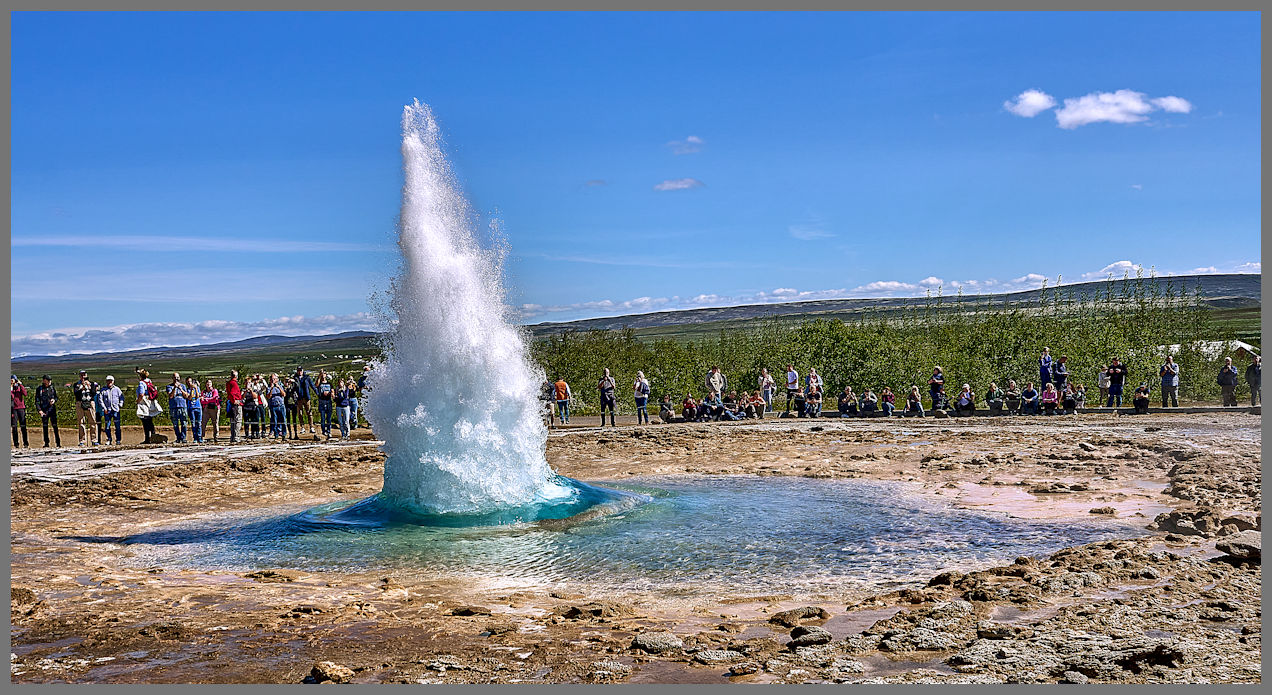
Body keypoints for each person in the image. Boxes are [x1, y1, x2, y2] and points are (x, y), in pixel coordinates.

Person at [72, 370, 99, 447]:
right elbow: (76, 394)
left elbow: (94, 393)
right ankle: (82, 440)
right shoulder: (76, 385)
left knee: (93, 422)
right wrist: (81, 388)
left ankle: (94, 439)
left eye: (84, 375)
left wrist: (89, 387)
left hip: (90, 402)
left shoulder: (93, 384)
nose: (83, 376)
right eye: (81, 375)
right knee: (81, 422)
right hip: (80, 403)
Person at [135, 369, 161, 444]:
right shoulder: (149, 381)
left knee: (145, 421)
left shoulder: (141, 383)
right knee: (150, 420)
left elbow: (141, 394)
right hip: (150, 401)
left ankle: (147, 438)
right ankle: (153, 436)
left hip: (144, 402)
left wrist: (138, 401)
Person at [95, 375, 123, 445]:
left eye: (110, 381)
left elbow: (121, 397)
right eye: (108, 381)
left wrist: (120, 405)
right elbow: (100, 400)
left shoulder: (117, 389)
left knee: (117, 426)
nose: (109, 382)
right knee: (107, 426)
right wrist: (104, 408)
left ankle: (118, 440)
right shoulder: (103, 390)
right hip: (107, 410)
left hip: (115, 410)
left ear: (113, 381)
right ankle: (109, 439)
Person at [35, 375, 61, 447]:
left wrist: (54, 400)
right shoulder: (39, 389)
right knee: (45, 427)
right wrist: (39, 410)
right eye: (48, 380)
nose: (49, 382)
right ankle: (46, 443)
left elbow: (56, 397)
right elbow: (37, 401)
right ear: (44, 380)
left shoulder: (52, 388)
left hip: (52, 410)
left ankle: (58, 443)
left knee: (55, 426)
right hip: (44, 410)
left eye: (50, 380)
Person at [166, 373, 190, 443]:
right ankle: (178, 438)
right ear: (173, 378)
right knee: (175, 424)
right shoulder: (169, 386)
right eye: (175, 377)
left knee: (184, 423)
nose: (176, 379)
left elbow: (186, 396)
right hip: (174, 407)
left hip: (182, 406)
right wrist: (174, 388)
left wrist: (181, 389)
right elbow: (170, 396)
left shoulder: (183, 386)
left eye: (178, 377)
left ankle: (183, 438)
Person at [294, 367, 318, 434]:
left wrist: (317, 394)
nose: (299, 372)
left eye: (300, 370)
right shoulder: (295, 378)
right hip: (299, 398)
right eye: (298, 371)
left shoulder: (307, 377)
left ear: (303, 370)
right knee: (300, 414)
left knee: (309, 412)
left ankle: (311, 427)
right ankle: (302, 427)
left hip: (306, 397)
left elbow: (312, 386)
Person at [11, 376, 29, 448]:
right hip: (13, 409)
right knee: (14, 427)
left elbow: (25, 393)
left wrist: (20, 385)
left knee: (23, 426)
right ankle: (16, 444)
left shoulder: (19, 387)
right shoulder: (11, 388)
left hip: (21, 408)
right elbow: (11, 397)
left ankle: (25, 443)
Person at [201, 379, 221, 443]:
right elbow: (201, 401)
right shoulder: (203, 392)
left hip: (214, 408)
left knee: (215, 422)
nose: (209, 384)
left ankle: (216, 436)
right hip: (206, 408)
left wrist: (206, 400)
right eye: (207, 383)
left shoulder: (215, 391)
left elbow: (214, 399)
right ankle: (202, 436)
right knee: (203, 422)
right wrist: (208, 400)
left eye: (210, 383)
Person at [226, 370, 244, 443]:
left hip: (231, 403)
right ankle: (236, 437)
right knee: (238, 420)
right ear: (236, 376)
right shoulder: (234, 384)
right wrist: (234, 401)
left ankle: (233, 437)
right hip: (236, 404)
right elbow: (232, 393)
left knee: (233, 421)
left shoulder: (229, 383)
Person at [268, 374, 287, 440]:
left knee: (283, 420)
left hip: (281, 405)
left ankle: (284, 434)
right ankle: (276, 434)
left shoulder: (280, 386)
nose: (273, 380)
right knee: (275, 421)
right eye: (272, 379)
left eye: (274, 379)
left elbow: (284, 394)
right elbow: (268, 396)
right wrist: (271, 388)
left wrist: (278, 387)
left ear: (277, 379)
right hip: (273, 406)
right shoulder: (269, 387)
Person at [316, 372, 335, 438]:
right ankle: (323, 431)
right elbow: (316, 385)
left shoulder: (329, 383)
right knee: (323, 418)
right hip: (322, 401)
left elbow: (332, 391)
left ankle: (329, 431)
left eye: (324, 374)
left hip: (328, 401)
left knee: (329, 418)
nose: (323, 375)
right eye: (322, 374)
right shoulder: (320, 383)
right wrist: (319, 376)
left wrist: (330, 393)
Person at [186, 377, 203, 444]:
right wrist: (191, 390)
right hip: (191, 408)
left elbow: (197, 396)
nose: (189, 383)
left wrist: (195, 388)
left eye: (190, 381)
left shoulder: (197, 388)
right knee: (193, 423)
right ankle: (195, 438)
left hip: (198, 407)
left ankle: (200, 437)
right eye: (188, 382)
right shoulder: (187, 390)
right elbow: (189, 398)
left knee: (198, 423)